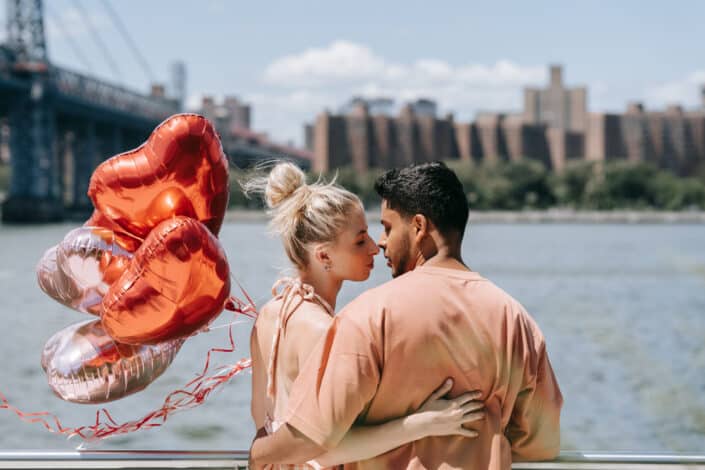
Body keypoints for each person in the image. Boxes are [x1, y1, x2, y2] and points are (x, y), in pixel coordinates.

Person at [249, 162, 563, 469]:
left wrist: (259, 453)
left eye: (386, 228)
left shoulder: (367, 316)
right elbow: (542, 444)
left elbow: (313, 439)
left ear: (418, 227)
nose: (379, 243)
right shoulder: (515, 319)